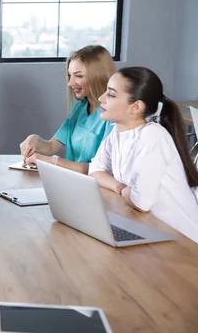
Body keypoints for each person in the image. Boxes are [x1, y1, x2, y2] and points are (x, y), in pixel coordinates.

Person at [89, 66, 198, 242]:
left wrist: (126, 192)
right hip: (152, 229)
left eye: (111, 94)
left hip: (183, 239)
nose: (101, 98)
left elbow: (141, 202)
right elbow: (95, 171)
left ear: (135, 107)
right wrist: (121, 188)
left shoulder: (152, 136)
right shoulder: (116, 133)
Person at [20, 45, 115, 174]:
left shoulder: (113, 117)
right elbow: (51, 147)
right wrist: (34, 139)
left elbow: (101, 170)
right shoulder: (80, 108)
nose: (70, 83)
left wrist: (53, 162)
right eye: (70, 75)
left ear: (98, 76)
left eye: (78, 76)